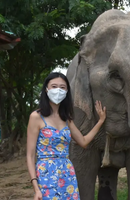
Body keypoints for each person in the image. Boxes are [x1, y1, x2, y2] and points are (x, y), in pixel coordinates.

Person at [26, 72, 106, 200]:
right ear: (46, 89)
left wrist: (100, 121)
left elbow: (84, 141)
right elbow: (30, 155)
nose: (58, 90)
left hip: (67, 173)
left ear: (67, 91)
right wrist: (36, 188)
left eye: (62, 87)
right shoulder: (36, 117)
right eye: (54, 86)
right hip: (46, 174)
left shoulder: (66, 118)